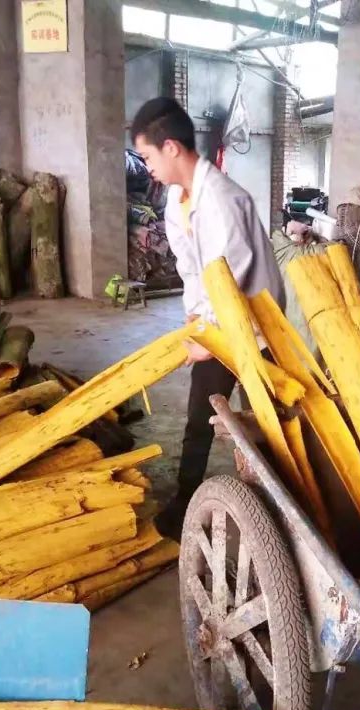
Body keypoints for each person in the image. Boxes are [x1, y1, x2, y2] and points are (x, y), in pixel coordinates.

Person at [131, 97, 285, 539]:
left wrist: (209, 338)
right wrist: (195, 320)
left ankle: (286, 504)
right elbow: (192, 270)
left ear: (172, 148)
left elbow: (229, 275)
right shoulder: (177, 199)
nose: (147, 168)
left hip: (254, 326)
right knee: (201, 417)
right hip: (217, 325)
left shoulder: (221, 198)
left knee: (268, 417)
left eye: (147, 156)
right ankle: (185, 503)